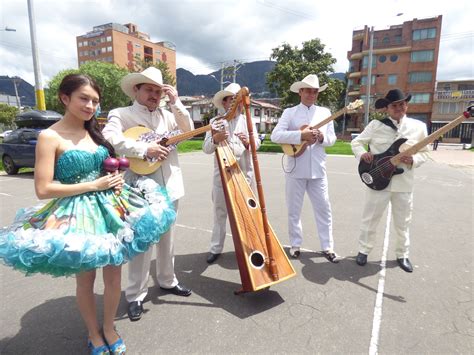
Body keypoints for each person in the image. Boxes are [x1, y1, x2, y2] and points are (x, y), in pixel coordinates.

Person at [0, 74, 177, 354]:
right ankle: (93, 333)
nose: (90, 105)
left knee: (114, 277)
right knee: (86, 278)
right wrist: (93, 185)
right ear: (64, 98)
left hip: (111, 207)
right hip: (76, 213)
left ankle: (109, 327)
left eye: (95, 100)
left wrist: (115, 177)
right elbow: (43, 188)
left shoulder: (96, 132)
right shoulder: (49, 136)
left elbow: (107, 166)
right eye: (84, 98)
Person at [102, 67, 193, 322]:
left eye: (158, 90)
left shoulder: (170, 114)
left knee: (168, 238)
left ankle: (167, 280)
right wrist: (144, 148)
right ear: (136, 90)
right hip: (139, 187)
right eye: (149, 89)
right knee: (141, 242)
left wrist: (176, 102)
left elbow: (189, 128)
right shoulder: (121, 114)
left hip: (171, 185)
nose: (154, 94)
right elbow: (109, 138)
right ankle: (135, 295)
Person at [351, 88, 429, 273]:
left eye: (402, 104)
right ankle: (363, 250)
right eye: (395, 105)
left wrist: (414, 160)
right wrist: (363, 154)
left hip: (404, 183)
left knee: (403, 222)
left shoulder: (419, 127)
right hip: (378, 180)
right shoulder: (375, 125)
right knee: (370, 219)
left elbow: (425, 153)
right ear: (387, 107)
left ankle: (402, 254)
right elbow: (356, 142)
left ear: (406, 105)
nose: (399, 108)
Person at [270, 74, 339, 262]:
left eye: (315, 91)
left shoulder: (325, 113)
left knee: (324, 208)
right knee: (294, 209)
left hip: (318, 169)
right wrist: (301, 136)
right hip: (295, 168)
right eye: (308, 90)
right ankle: (295, 244)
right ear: (300, 92)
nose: (311, 94)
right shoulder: (289, 112)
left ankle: (327, 246)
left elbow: (332, 139)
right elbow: (275, 136)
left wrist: (322, 138)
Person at [202, 83, 261, 264]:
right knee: (220, 213)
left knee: (247, 214)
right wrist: (215, 139)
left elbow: (257, 144)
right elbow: (206, 148)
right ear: (225, 102)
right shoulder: (215, 122)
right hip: (222, 177)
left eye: (238, 100)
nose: (236, 104)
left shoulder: (248, 120)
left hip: (245, 175)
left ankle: (247, 247)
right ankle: (216, 248)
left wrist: (248, 143)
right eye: (231, 100)